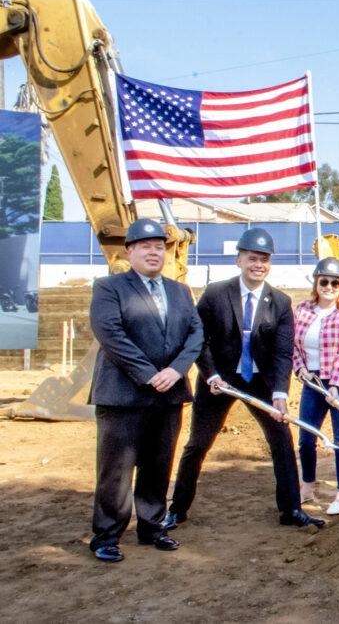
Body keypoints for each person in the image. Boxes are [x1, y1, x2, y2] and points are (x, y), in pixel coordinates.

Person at [167, 228, 324, 530]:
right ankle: (178, 508)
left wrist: (280, 392)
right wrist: (210, 374)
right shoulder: (216, 294)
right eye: (252, 258)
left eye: (264, 260)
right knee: (198, 444)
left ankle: (290, 509)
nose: (258, 265)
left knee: (281, 440)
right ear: (239, 260)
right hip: (220, 381)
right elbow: (199, 339)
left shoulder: (280, 302)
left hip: (260, 382)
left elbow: (281, 352)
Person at [87, 219, 204, 562]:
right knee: (117, 470)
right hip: (124, 395)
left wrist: (176, 370)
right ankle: (107, 536)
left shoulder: (179, 291)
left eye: (159, 247)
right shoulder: (109, 287)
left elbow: (195, 334)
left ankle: (152, 527)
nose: (154, 253)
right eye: (146, 246)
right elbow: (110, 334)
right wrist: (149, 374)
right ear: (130, 251)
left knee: (159, 463)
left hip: (168, 395)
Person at [293, 257, 339, 515]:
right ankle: (308, 485)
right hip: (313, 379)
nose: (329, 286)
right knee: (306, 437)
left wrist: (335, 386)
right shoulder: (302, 310)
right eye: (324, 281)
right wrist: (300, 369)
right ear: (316, 282)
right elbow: (294, 346)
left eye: (335, 282)